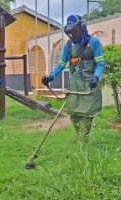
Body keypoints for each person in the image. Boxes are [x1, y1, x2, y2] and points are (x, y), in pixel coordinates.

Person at [42, 15, 105, 143]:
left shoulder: (94, 43)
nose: (72, 35)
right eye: (69, 33)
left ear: (82, 28)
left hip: (90, 86)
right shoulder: (69, 45)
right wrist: (51, 76)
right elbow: (61, 64)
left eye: (74, 32)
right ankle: (80, 137)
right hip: (75, 87)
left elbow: (100, 64)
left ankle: (82, 142)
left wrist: (96, 77)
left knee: (86, 116)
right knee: (74, 115)